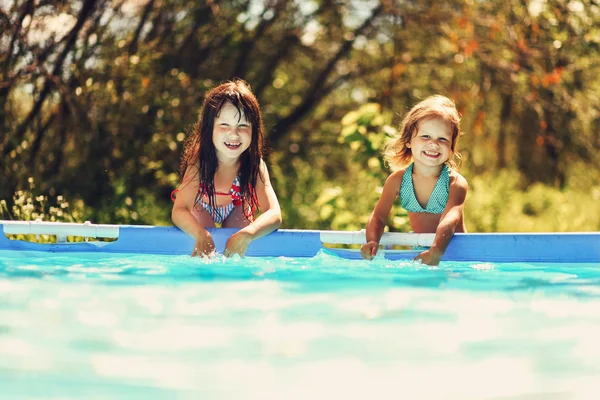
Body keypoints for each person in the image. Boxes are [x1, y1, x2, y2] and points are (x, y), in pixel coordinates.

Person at [172, 79, 282, 257]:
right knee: (205, 248)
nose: (234, 134)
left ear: (254, 130)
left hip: (237, 207)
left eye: (243, 125)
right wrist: (201, 234)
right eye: (224, 125)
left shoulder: (254, 165)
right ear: (210, 129)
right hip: (202, 206)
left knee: (237, 251)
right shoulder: (199, 163)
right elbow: (179, 210)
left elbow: (274, 213)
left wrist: (248, 233)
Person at [360, 95, 468, 266]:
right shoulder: (398, 180)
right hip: (422, 252)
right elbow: (378, 216)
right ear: (409, 140)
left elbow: (450, 220)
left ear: (452, 147)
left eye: (442, 139)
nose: (433, 144)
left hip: (457, 254)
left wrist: (436, 251)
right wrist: (372, 241)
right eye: (425, 136)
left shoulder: (455, 183)